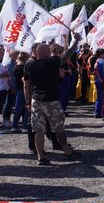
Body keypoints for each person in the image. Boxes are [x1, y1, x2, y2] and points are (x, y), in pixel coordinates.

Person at [24, 34, 81, 165]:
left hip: (36, 100)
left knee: (38, 130)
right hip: (51, 100)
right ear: (46, 53)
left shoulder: (29, 66)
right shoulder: (52, 62)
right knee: (58, 128)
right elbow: (67, 55)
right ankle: (67, 152)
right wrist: (76, 41)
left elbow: (26, 85)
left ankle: (40, 157)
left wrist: (28, 101)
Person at [11, 52, 30, 132]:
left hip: (18, 89)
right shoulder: (25, 68)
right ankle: (25, 126)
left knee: (18, 109)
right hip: (25, 89)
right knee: (26, 108)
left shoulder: (15, 67)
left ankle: (15, 125)